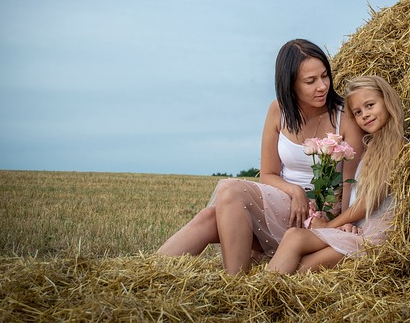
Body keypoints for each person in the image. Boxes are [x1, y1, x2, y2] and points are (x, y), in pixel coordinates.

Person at [156, 39, 364, 275]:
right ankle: (150, 272)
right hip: (286, 202)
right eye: (310, 81)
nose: (322, 86)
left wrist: (343, 222)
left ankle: (234, 284)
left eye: (325, 76)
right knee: (213, 211)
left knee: (223, 199)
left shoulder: (343, 116)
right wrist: (294, 191)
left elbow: (351, 181)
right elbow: (268, 174)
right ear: (290, 85)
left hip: (324, 212)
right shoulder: (278, 111)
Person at [266, 75, 406, 274]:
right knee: (294, 237)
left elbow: (367, 202)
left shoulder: (396, 146)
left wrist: (329, 226)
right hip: (357, 229)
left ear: (387, 102)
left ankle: (263, 294)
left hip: (374, 237)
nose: (364, 115)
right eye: (357, 112)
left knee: (302, 268)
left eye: (370, 105)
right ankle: (260, 292)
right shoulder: (371, 146)